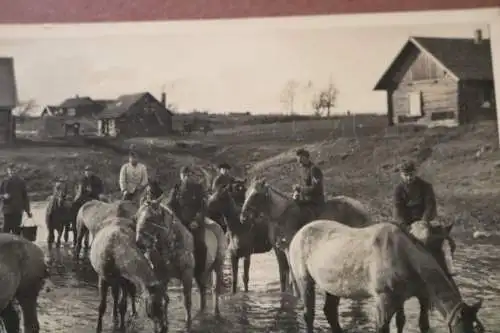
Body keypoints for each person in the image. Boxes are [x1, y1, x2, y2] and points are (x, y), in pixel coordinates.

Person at [167, 166, 207, 279]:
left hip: (195, 224)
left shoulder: (198, 188)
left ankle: (200, 273)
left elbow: (203, 207)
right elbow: (170, 205)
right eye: (184, 175)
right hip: (180, 222)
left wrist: (196, 221)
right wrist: (177, 220)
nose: (186, 178)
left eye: (188, 175)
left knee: (201, 245)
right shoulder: (176, 188)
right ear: (181, 176)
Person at [393, 160, 437, 228]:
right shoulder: (398, 190)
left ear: (415, 172)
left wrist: (424, 221)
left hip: (423, 219)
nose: (409, 177)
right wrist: (403, 224)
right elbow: (397, 208)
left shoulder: (426, 186)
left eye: (411, 174)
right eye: (406, 175)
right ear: (401, 175)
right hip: (406, 221)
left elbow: (430, 205)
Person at [292, 148, 325, 227]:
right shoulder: (301, 169)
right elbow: (302, 185)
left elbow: (316, 188)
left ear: (305, 157)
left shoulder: (314, 169)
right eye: (297, 157)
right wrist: (296, 192)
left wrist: (300, 189)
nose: (298, 159)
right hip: (304, 200)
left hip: (314, 202)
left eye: (300, 157)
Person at [0, 163, 32, 235]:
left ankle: (15, 246)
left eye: (13, 170)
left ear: (16, 171)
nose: (11, 172)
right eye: (10, 170)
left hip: (18, 210)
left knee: (16, 230)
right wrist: (3, 196)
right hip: (7, 210)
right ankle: (5, 246)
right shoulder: (4, 182)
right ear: (7, 171)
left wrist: (28, 211)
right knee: (6, 229)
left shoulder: (21, 182)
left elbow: (25, 197)